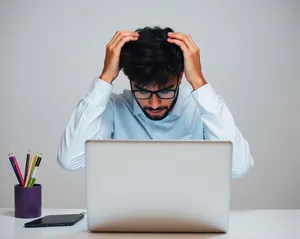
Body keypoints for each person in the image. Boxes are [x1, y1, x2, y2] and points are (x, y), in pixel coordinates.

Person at [57, 26, 254, 178]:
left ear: (181, 78)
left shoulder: (202, 108)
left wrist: (199, 82)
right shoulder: (113, 108)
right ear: (130, 81)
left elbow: (238, 168)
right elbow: (70, 160)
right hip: (126, 222)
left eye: (165, 91)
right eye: (142, 91)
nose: (153, 104)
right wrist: (106, 77)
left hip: (190, 224)